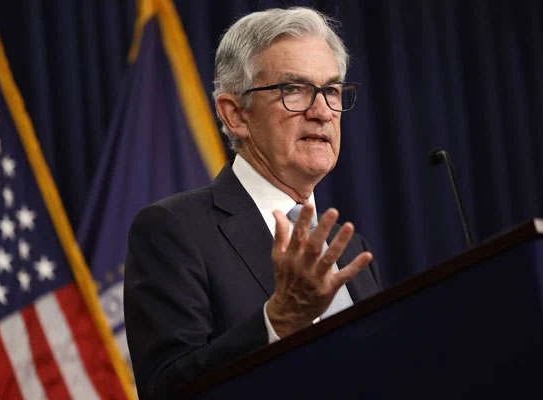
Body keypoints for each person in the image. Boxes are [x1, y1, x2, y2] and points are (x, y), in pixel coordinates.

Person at [124, 7, 382, 399]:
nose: (322, 112)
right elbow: (167, 388)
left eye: (331, 90)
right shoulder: (174, 230)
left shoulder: (351, 251)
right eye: (293, 90)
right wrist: (277, 322)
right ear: (235, 114)